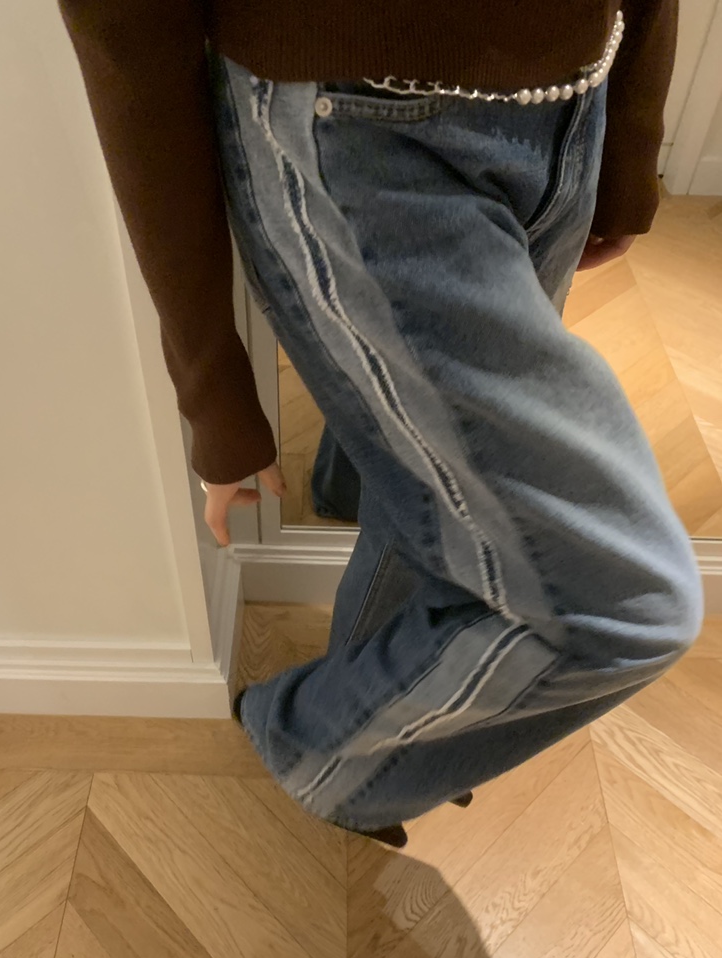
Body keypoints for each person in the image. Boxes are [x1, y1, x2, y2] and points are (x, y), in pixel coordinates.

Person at [59, 0, 703, 845]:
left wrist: (628, 143)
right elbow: (125, 32)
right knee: (625, 603)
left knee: (445, 488)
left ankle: (375, 745)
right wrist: (211, 390)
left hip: (573, 104)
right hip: (352, 133)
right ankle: (313, 748)